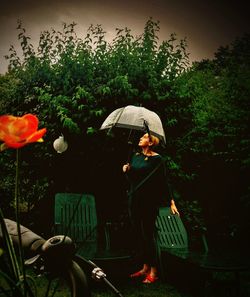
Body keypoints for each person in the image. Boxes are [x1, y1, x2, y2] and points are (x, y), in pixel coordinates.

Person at [122, 133, 179, 284]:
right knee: (138, 235)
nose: (140, 139)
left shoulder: (157, 159)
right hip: (134, 200)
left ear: (151, 142)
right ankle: (144, 267)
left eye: (144, 137)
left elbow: (163, 181)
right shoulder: (135, 156)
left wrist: (171, 202)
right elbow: (133, 180)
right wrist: (127, 171)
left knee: (148, 235)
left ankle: (154, 270)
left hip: (148, 202)